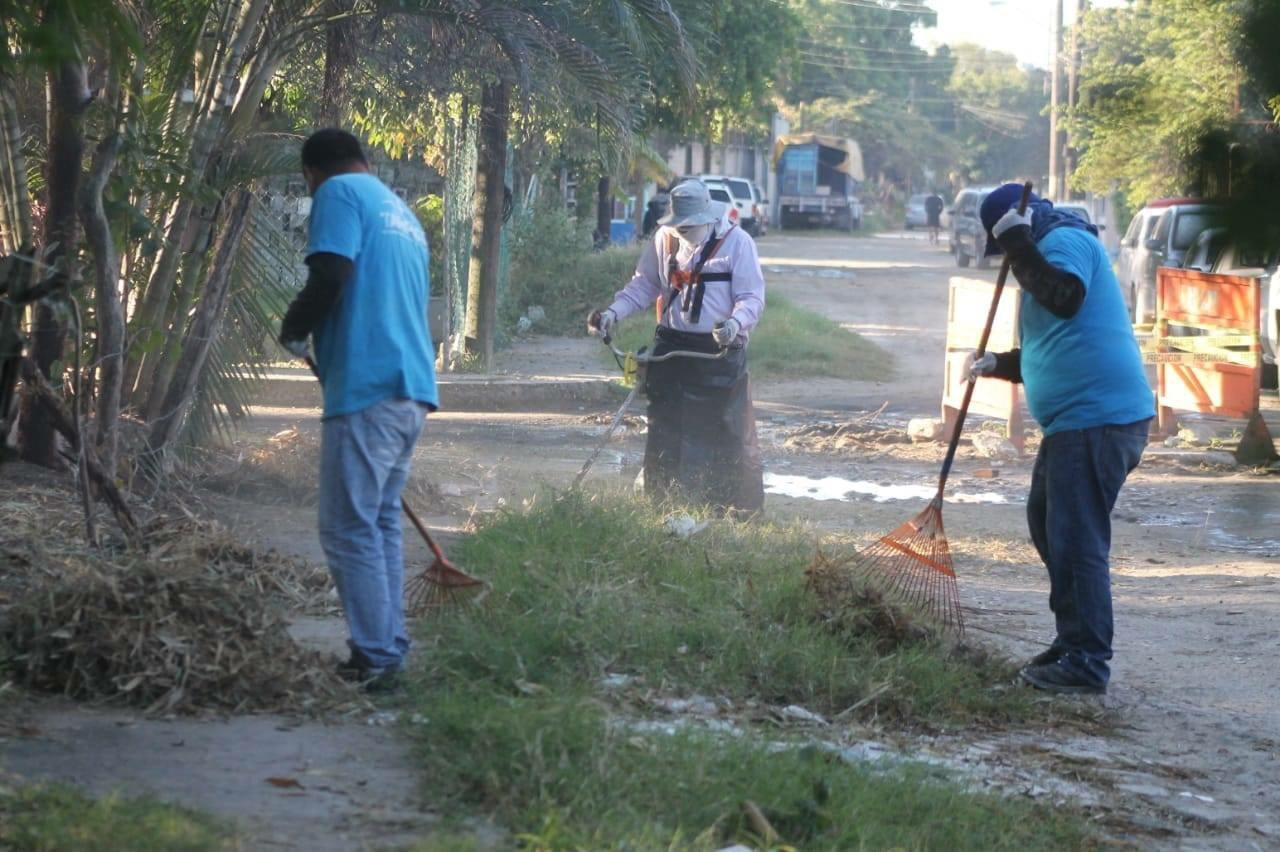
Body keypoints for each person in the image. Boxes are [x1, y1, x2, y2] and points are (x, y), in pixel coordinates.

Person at [966, 182, 1153, 695]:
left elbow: (1066, 299)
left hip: (1099, 419)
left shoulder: (1066, 242)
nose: (1005, 257)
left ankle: (1087, 660)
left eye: (1003, 244)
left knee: (1076, 539)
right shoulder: (1043, 255)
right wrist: (998, 364)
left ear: (1019, 226)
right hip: (1077, 422)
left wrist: (1021, 245)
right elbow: (1054, 346)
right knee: (1048, 525)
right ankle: (1072, 641)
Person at [279, 129, 438, 691]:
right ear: (364, 161)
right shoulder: (398, 210)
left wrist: (295, 326)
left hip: (367, 385)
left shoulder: (338, 194)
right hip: (411, 386)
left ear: (312, 174)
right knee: (379, 523)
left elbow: (333, 273)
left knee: (348, 527)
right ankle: (388, 647)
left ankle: (375, 658)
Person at [587, 179, 766, 514]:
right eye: (678, 225)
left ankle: (724, 509)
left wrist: (734, 324)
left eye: (689, 226)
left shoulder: (738, 244)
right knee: (666, 429)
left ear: (709, 218)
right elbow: (643, 286)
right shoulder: (664, 240)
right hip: (671, 350)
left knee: (721, 433)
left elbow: (751, 298)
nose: (682, 231)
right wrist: (613, 313)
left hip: (717, 353)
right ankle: (662, 504)